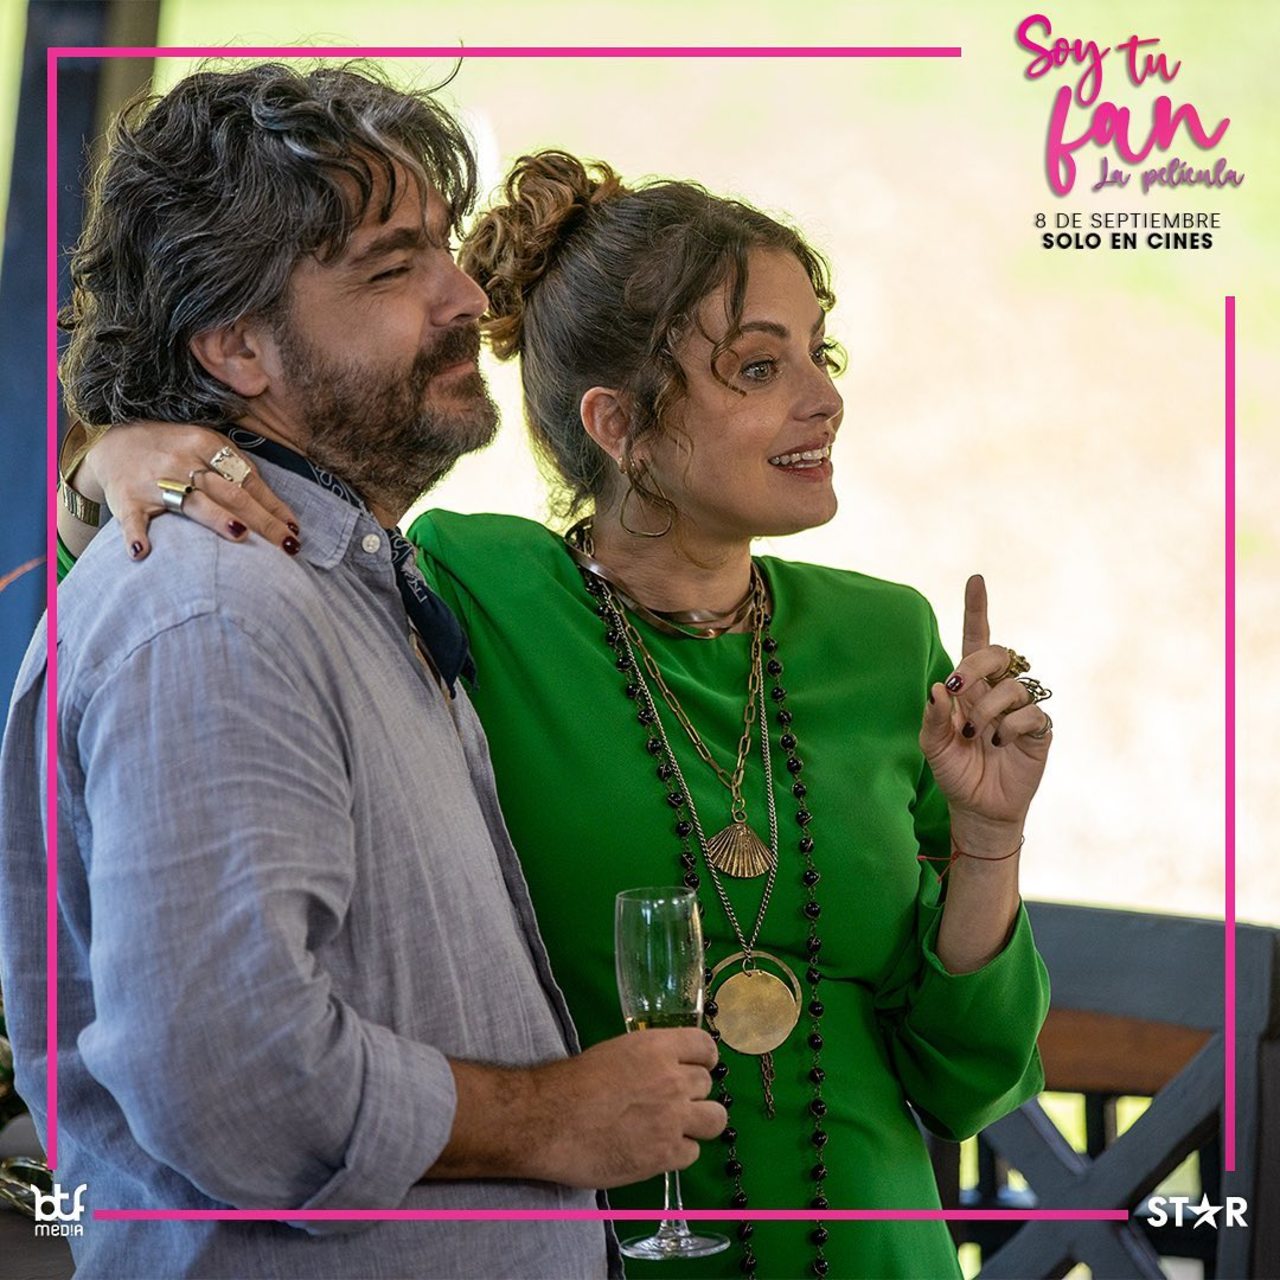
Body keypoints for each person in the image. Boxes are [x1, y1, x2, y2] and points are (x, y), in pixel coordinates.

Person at [61, 149, 1055, 1278]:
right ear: (618, 424)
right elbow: (203, 576)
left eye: (818, 353)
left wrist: (990, 840)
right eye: (758, 366)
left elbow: (969, 1079)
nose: (823, 398)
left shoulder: (887, 638)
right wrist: (105, 463)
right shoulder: (471, 589)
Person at [0, 68, 741, 1280]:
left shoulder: (323, 580)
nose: (466, 296)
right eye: (393, 269)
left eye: (445, 246)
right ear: (236, 345)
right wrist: (553, 1116)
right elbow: (237, 1080)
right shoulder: (217, 617)